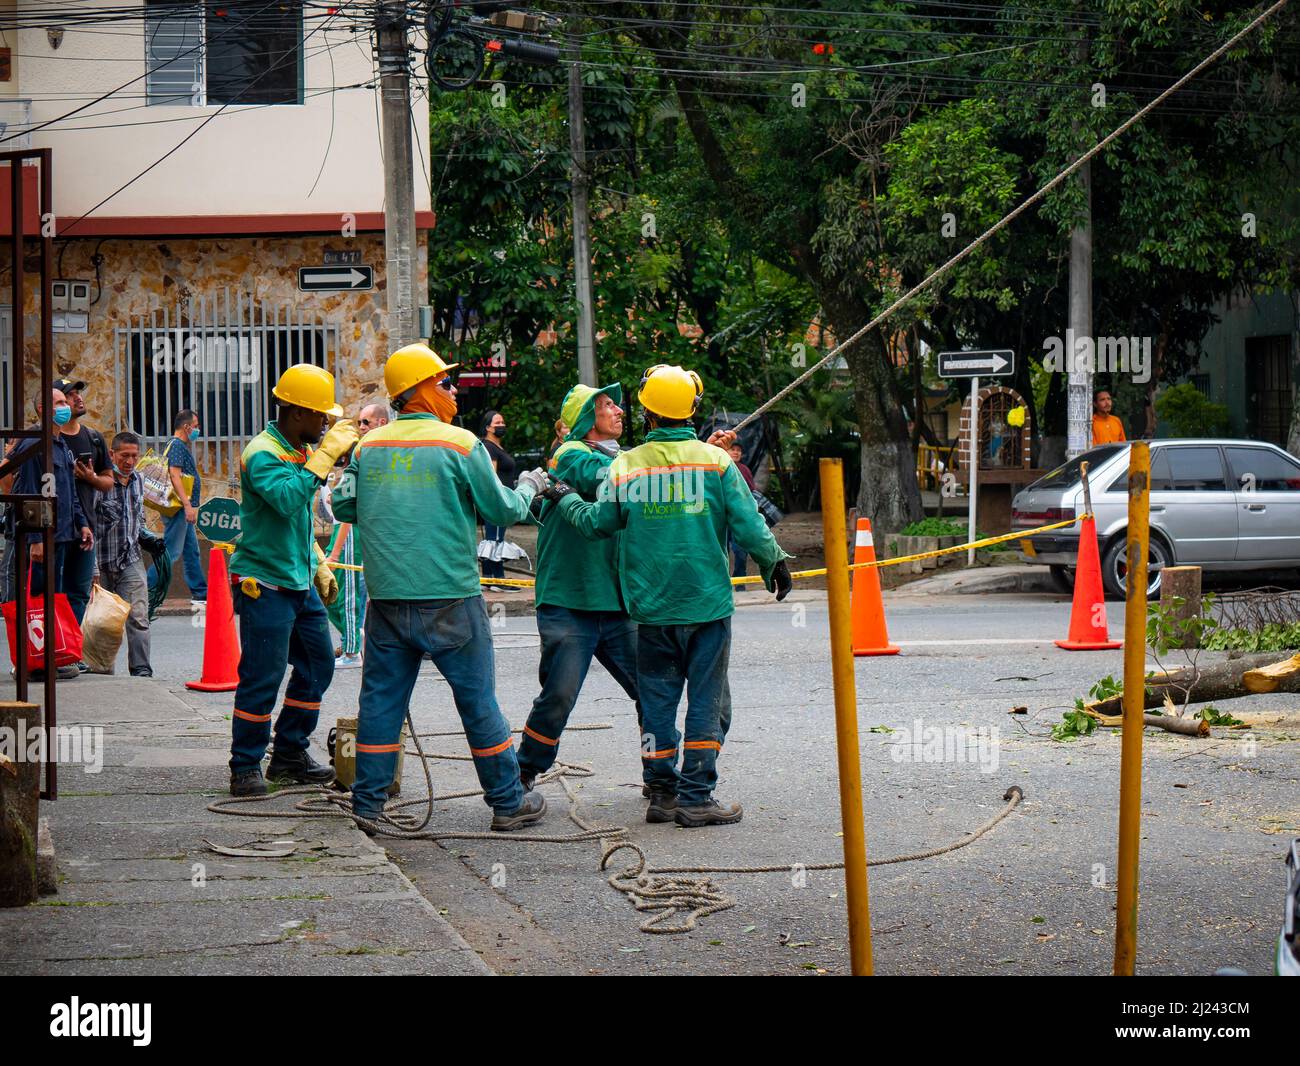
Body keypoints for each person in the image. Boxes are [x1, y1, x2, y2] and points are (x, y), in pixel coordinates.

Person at [550, 364, 792, 827]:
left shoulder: (625, 465)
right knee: (705, 699)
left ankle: (662, 793)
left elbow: (598, 524)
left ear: (647, 412)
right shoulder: (715, 462)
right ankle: (697, 797)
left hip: (649, 609)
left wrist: (563, 496)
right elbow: (748, 525)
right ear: (692, 410)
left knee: (657, 703)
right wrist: (774, 562)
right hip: (706, 605)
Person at [332, 343, 547, 832]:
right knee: (476, 701)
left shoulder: (369, 446)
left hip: (387, 602)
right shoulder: (460, 444)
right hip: (451, 598)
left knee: (381, 703)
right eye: (446, 383)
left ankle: (368, 806)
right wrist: (532, 485)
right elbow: (503, 510)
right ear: (421, 390)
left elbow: (344, 506)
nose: (453, 391)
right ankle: (507, 803)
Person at [226, 364, 357, 797]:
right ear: (298, 412)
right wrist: (321, 460)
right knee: (262, 676)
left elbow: (297, 522)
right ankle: (245, 766)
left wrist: (317, 562)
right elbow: (285, 500)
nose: (326, 425)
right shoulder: (262, 452)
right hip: (264, 583)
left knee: (318, 665)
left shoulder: (297, 450)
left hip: (297, 581)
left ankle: (289, 755)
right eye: (322, 416)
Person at [516, 383, 642, 793]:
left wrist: (695, 452)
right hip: (569, 602)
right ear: (587, 419)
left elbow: (646, 476)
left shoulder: (627, 459)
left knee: (653, 691)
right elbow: (606, 478)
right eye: (608, 406)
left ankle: (661, 780)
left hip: (617, 603)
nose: (619, 410)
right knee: (558, 696)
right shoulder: (570, 455)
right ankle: (522, 775)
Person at [7, 389, 94, 680]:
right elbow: (31, 492)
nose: (65, 407)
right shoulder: (35, 443)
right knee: (34, 600)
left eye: (64, 402)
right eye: (59, 403)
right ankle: (31, 662)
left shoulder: (60, 444)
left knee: (52, 599)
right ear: (44, 408)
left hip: (62, 535)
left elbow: (67, 490)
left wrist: (82, 523)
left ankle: (49, 657)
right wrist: (35, 539)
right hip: (43, 538)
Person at [93, 431, 164, 677]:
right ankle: (101, 671)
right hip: (100, 562)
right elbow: (88, 526)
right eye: (125, 455)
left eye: (135, 456)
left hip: (130, 560)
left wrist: (147, 537)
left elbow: (138, 516)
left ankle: (142, 669)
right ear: (112, 454)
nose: (130, 461)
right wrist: (90, 567)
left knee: (139, 617)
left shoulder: (139, 481)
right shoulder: (100, 483)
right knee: (103, 623)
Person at [56, 378, 112, 632]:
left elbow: (109, 482)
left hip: (85, 527)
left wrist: (90, 478)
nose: (78, 398)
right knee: (53, 592)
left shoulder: (93, 438)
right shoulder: (49, 437)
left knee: (78, 592)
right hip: (55, 528)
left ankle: (69, 650)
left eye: (79, 393)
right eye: (70, 395)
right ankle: (50, 650)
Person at [148, 410, 208, 607]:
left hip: (180, 508)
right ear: (186, 427)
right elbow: (175, 476)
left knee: (192, 550)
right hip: (178, 509)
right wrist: (187, 505)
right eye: (196, 425)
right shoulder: (176, 446)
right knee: (171, 551)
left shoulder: (178, 446)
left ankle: (200, 593)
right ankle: (146, 589)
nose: (198, 430)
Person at [478, 409, 515, 590]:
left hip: (502, 499)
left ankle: (488, 577)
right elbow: (491, 474)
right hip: (497, 500)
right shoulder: (489, 447)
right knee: (495, 538)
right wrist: (498, 498)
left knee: (495, 537)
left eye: (502, 422)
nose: (501, 426)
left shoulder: (497, 446)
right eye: (497, 423)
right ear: (487, 427)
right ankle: (497, 578)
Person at [726, 440, 756, 579]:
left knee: (741, 553)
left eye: (739, 450)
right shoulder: (719, 468)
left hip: (739, 518)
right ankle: (723, 581)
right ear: (725, 451)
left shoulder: (744, 470)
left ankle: (740, 583)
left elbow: (751, 493)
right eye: (733, 449)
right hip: (721, 519)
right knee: (721, 553)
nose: (736, 452)